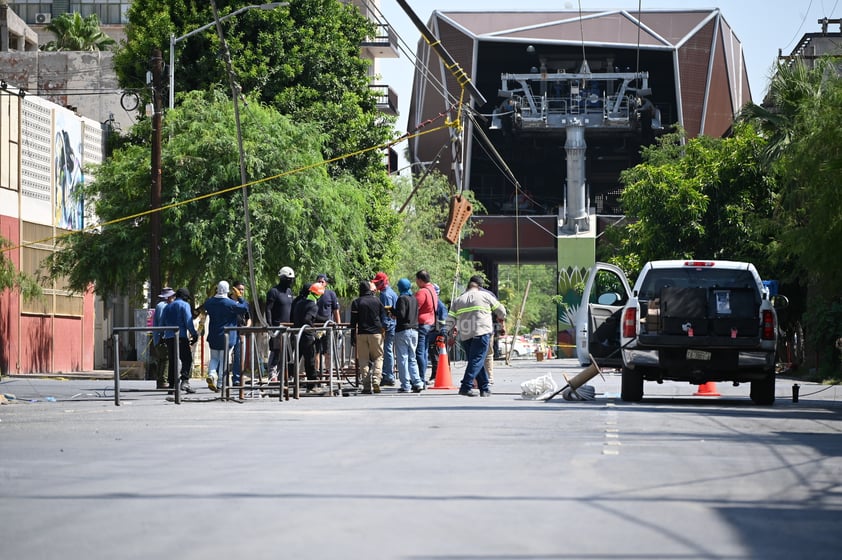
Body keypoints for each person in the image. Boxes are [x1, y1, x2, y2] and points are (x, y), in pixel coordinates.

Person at [445, 276, 507, 397]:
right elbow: (501, 311)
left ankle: (484, 388)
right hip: (481, 332)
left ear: (468, 287)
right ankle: (465, 386)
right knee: (477, 360)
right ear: (479, 287)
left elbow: (450, 319)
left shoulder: (458, 300)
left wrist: (448, 333)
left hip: (465, 335)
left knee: (475, 360)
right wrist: (501, 319)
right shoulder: (485, 296)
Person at [202, 280, 250, 392]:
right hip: (227, 336)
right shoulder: (230, 303)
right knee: (224, 359)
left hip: (213, 335)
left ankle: (211, 374)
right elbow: (244, 308)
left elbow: (206, 305)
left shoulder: (209, 302)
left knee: (214, 358)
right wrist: (240, 297)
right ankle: (220, 384)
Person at [291, 282, 331, 393]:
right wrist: (314, 331)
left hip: (296, 334)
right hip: (306, 336)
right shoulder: (313, 305)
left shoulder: (300, 303)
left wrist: (325, 320)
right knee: (310, 361)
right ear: (317, 294)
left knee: (295, 360)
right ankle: (312, 386)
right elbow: (308, 319)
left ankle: (290, 382)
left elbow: (313, 316)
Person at [161, 287, 200, 394]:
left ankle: (172, 386)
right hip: (181, 337)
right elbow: (188, 321)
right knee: (186, 359)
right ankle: (185, 381)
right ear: (185, 297)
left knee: (172, 361)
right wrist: (194, 334)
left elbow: (162, 322)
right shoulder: (184, 305)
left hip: (169, 337)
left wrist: (162, 336)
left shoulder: (167, 307)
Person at [350, 280, 385, 394]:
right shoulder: (377, 301)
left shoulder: (356, 302)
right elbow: (383, 317)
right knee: (378, 357)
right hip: (376, 333)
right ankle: (376, 379)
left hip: (362, 333)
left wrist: (352, 336)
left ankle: (366, 386)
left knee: (364, 360)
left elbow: (353, 322)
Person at [393, 277, 424, 393]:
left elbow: (401, 314)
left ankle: (406, 385)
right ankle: (418, 382)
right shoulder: (414, 298)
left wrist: (392, 311)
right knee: (412, 358)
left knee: (403, 359)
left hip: (403, 330)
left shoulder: (401, 298)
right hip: (414, 330)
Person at [265, 266, 295, 382]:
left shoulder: (289, 292)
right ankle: (272, 375)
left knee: (287, 353)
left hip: (288, 328)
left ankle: (284, 376)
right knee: (276, 351)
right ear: (282, 278)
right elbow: (268, 309)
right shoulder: (274, 292)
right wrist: (270, 325)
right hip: (277, 327)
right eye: (289, 279)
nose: (291, 281)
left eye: (292, 279)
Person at [414, 270, 439, 385]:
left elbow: (415, 308)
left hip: (422, 323)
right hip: (431, 323)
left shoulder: (422, 292)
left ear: (420, 280)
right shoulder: (432, 290)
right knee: (424, 351)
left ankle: (421, 378)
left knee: (419, 352)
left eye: (416, 280)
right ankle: (422, 377)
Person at [373, 272, 397, 386]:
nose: (376, 285)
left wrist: (384, 327)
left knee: (387, 351)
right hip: (391, 325)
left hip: (389, 326)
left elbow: (387, 313)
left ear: (383, 282)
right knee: (388, 350)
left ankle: (388, 376)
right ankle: (388, 374)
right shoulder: (389, 292)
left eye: (377, 283)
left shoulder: (385, 295)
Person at [314, 273, 341, 376]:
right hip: (315, 326)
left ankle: (328, 373)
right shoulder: (312, 293)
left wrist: (338, 327)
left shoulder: (331, 294)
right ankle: (316, 373)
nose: (320, 283)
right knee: (316, 351)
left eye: (322, 281)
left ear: (326, 283)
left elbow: (336, 311)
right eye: (318, 281)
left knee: (328, 351)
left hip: (327, 327)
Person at [152, 287, 175, 389]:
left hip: (158, 336)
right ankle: (163, 380)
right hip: (162, 336)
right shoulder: (163, 306)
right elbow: (162, 322)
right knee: (166, 358)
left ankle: (160, 381)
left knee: (161, 359)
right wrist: (163, 335)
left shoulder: (159, 305)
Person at [229, 280, 251, 386]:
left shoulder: (244, 303)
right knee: (225, 356)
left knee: (239, 357)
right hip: (229, 332)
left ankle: (236, 379)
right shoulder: (227, 301)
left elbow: (248, 318)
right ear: (233, 289)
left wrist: (247, 326)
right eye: (239, 289)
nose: (241, 291)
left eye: (242, 289)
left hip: (241, 332)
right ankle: (221, 380)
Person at [427, 283, 449, 384]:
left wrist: (442, 334)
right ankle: (434, 375)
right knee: (433, 355)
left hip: (437, 333)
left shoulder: (440, 306)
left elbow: (443, 322)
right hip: (431, 333)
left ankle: (436, 376)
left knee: (436, 355)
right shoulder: (432, 304)